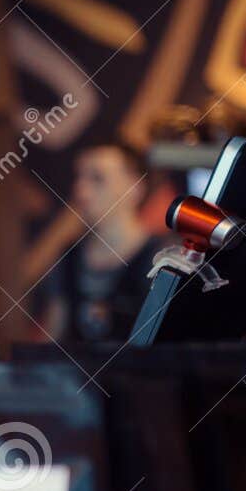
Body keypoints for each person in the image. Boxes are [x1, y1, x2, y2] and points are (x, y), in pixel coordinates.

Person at [41, 141, 164, 344]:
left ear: (135, 187)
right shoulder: (69, 256)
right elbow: (54, 339)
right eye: (79, 178)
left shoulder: (161, 258)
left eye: (97, 179)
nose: (81, 191)